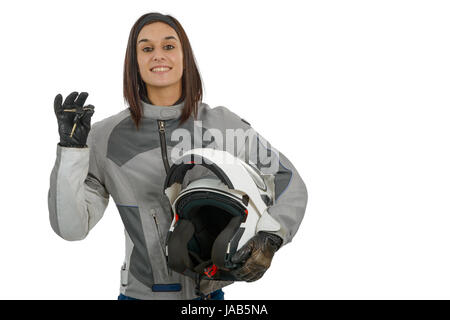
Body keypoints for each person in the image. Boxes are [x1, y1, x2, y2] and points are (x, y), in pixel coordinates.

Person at [48, 12, 308, 300]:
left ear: (185, 57)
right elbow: (71, 229)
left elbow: (287, 181)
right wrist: (71, 152)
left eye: (169, 46)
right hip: (139, 296)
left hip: (209, 297)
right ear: (134, 63)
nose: (158, 55)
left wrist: (271, 238)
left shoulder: (223, 125)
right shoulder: (104, 137)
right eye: (147, 48)